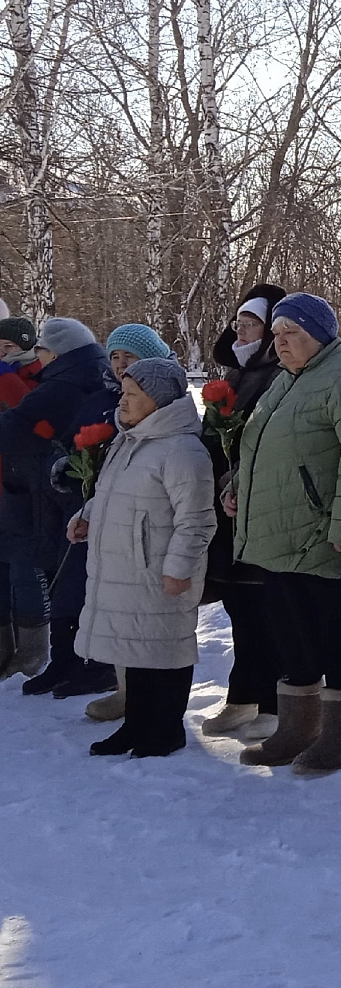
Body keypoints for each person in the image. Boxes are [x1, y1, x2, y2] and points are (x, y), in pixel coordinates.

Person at [226, 293, 341, 773]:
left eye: (290, 333)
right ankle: (296, 729)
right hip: (277, 533)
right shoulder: (285, 380)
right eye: (276, 334)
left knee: (332, 635)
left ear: (317, 333)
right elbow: (259, 445)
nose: (280, 343)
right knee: (290, 634)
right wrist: (235, 488)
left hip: (320, 534)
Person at [73, 358, 216, 758]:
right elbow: (109, 493)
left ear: (158, 401)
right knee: (134, 648)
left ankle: (166, 729)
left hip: (160, 569)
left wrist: (178, 568)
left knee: (165, 649)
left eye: (133, 395)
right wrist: (85, 517)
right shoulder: (128, 440)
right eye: (124, 393)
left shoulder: (183, 450)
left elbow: (198, 520)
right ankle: (135, 725)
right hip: (127, 567)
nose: (124, 401)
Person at [39, 322, 177, 706]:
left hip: (135, 515)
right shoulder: (101, 397)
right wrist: (69, 464)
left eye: (129, 356)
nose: (119, 364)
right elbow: (71, 436)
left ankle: (104, 672)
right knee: (74, 584)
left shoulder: (161, 403)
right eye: (114, 356)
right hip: (89, 504)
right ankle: (70, 661)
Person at [0, 318, 108, 687]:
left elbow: (15, 425)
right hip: (54, 486)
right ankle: (65, 661)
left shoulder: (61, 383)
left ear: (56, 351)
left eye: (42, 348)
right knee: (61, 576)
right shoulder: (80, 374)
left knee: (61, 576)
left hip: (58, 490)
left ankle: (72, 662)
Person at [199, 285, 286, 738]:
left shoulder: (276, 374)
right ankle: (243, 694)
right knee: (239, 604)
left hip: (258, 502)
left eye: (251, 324)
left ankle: (272, 701)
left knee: (262, 606)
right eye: (240, 324)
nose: (242, 331)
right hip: (226, 505)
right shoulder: (234, 372)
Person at [0, 316, 45, 676]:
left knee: (23, 567)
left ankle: (32, 650)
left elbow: (32, 414)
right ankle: (4, 646)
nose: (3, 354)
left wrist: (5, 376)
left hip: (21, 487)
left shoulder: (33, 375)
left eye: (8, 348)